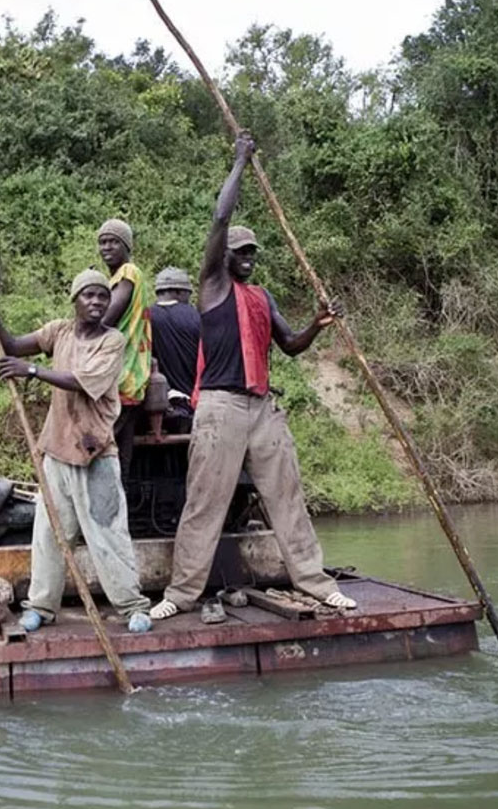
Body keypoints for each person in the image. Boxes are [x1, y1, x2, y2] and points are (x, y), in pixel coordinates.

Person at [151, 133, 356, 620]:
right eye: (240, 250)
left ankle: (316, 583)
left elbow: (290, 346)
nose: (247, 256)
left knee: (287, 498)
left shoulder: (263, 297)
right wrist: (240, 162)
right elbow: (221, 218)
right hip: (220, 407)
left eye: (252, 252)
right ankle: (180, 595)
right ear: (224, 257)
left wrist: (319, 324)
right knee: (204, 502)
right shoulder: (213, 286)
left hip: (262, 407)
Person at [0, 270, 153, 634]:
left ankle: (132, 606)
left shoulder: (112, 342)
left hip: (96, 453)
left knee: (108, 534)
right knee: (50, 535)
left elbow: (84, 382)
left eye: (103, 297)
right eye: (89, 296)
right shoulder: (59, 332)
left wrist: (32, 371)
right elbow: (11, 345)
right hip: (56, 451)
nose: (97, 302)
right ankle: (41, 605)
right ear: (75, 300)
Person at [96, 218, 153, 477]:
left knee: (103, 452)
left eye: (113, 242)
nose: (106, 247)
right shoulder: (115, 280)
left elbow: (106, 317)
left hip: (120, 375)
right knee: (120, 455)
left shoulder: (129, 272)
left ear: (126, 246)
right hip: (123, 376)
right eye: (102, 242)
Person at [148, 266, 200, 432]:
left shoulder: (145, 317)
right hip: (194, 406)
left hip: (155, 407)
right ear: (179, 292)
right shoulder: (196, 316)